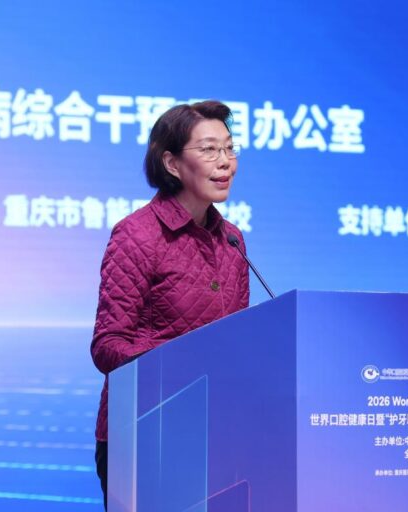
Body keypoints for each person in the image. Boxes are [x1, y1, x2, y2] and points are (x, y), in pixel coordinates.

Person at [89, 100, 250, 509]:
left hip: (216, 435)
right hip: (147, 435)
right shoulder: (137, 236)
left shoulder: (232, 240)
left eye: (229, 148)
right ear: (172, 163)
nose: (225, 162)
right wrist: (179, 363)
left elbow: (242, 340)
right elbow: (108, 345)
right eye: (209, 149)